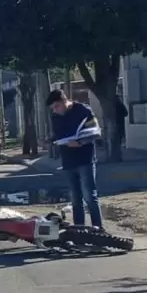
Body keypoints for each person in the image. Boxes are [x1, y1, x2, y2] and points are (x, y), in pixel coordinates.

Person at [47, 89, 103, 229]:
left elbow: (95, 132)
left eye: (57, 106)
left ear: (64, 101)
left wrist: (80, 143)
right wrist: (50, 140)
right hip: (68, 161)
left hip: (85, 159)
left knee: (89, 196)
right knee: (75, 199)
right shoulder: (55, 117)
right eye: (53, 108)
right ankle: (79, 230)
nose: (55, 110)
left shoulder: (83, 110)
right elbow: (58, 135)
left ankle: (98, 229)